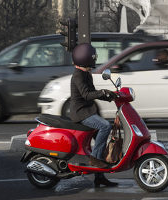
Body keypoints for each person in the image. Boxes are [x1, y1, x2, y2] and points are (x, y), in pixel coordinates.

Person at [70, 43, 118, 187]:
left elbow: (93, 92)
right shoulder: (78, 75)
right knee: (105, 126)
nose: (94, 60)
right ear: (85, 58)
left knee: (101, 141)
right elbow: (86, 95)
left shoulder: (86, 74)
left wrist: (110, 96)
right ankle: (94, 160)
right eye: (92, 57)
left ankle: (99, 177)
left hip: (87, 111)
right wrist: (102, 92)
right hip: (81, 113)